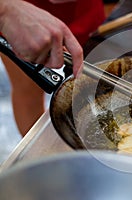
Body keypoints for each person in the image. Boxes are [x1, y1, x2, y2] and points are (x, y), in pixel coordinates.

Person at [0, 0, 106, 136]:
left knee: (94, 83)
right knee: (27, 91)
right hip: (22, 16)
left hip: (84, 7)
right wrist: (6, 10)